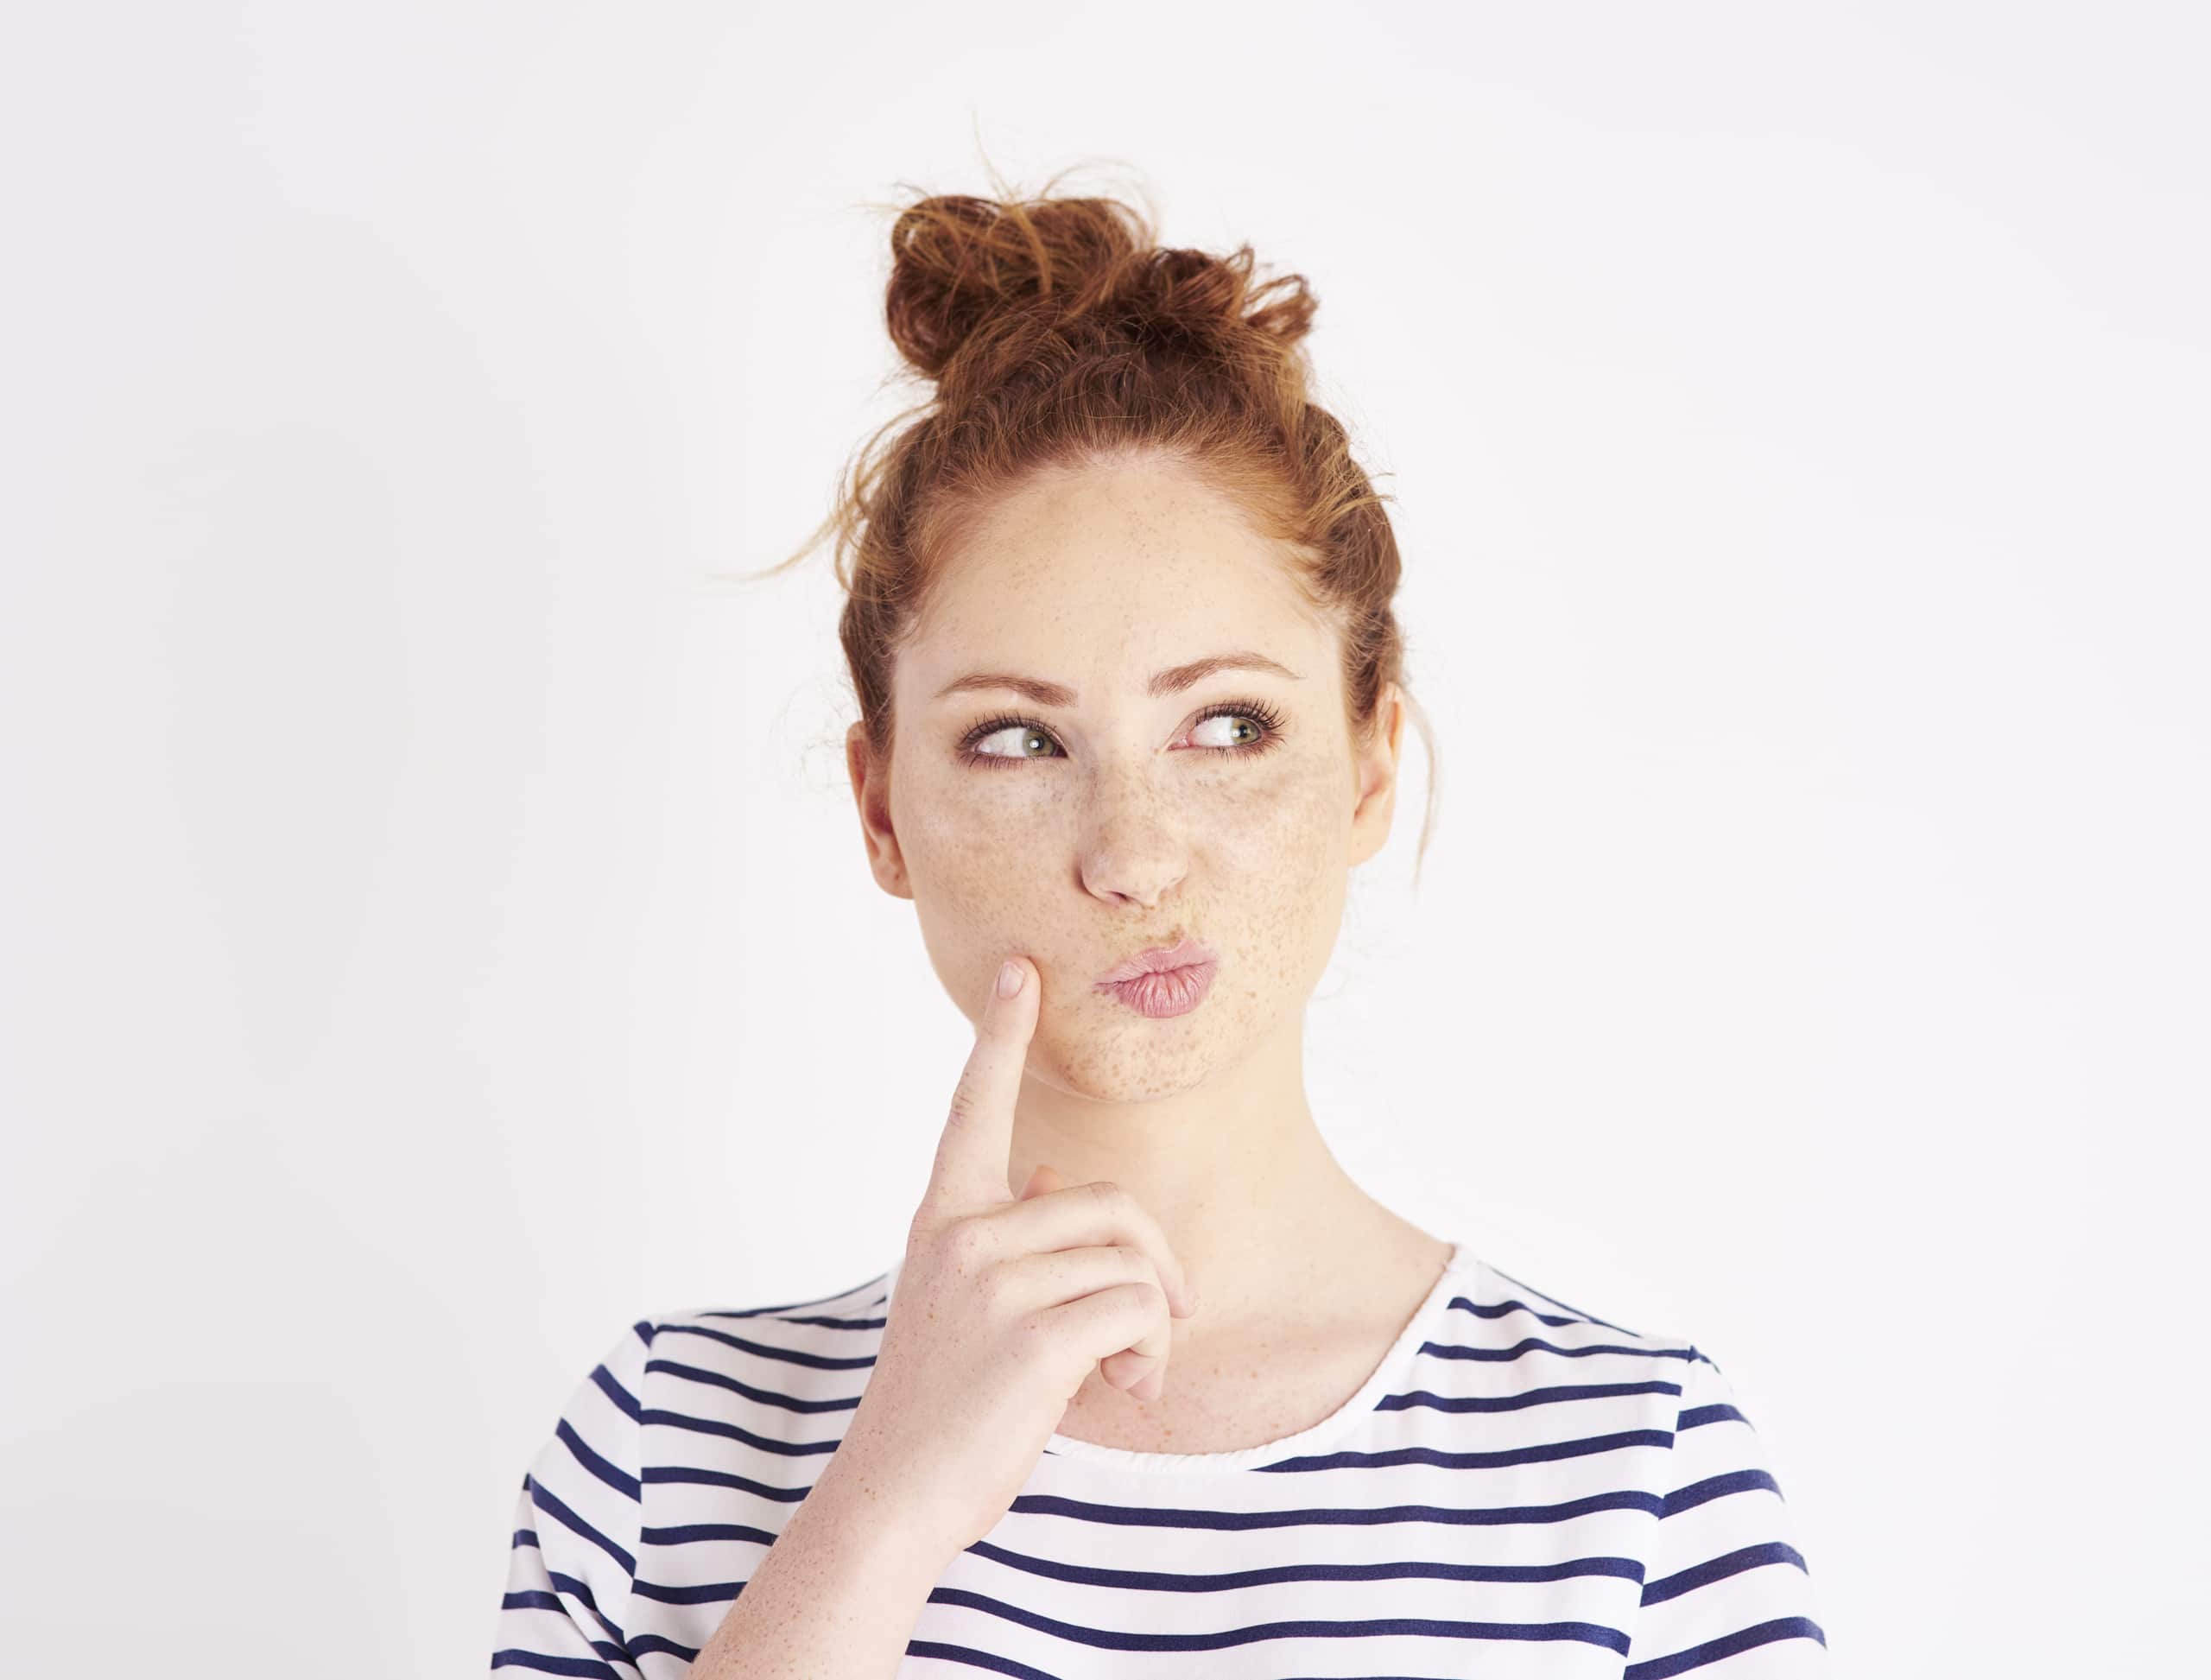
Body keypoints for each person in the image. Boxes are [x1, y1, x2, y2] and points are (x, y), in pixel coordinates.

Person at [488, 171, 1830, 1677]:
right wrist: (884, 1507)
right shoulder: (668, 1447)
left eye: (1229, 725)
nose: (1132, 854)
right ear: (881, 810)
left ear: (1372, 760)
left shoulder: (1628, 1475)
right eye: (1016, 740)